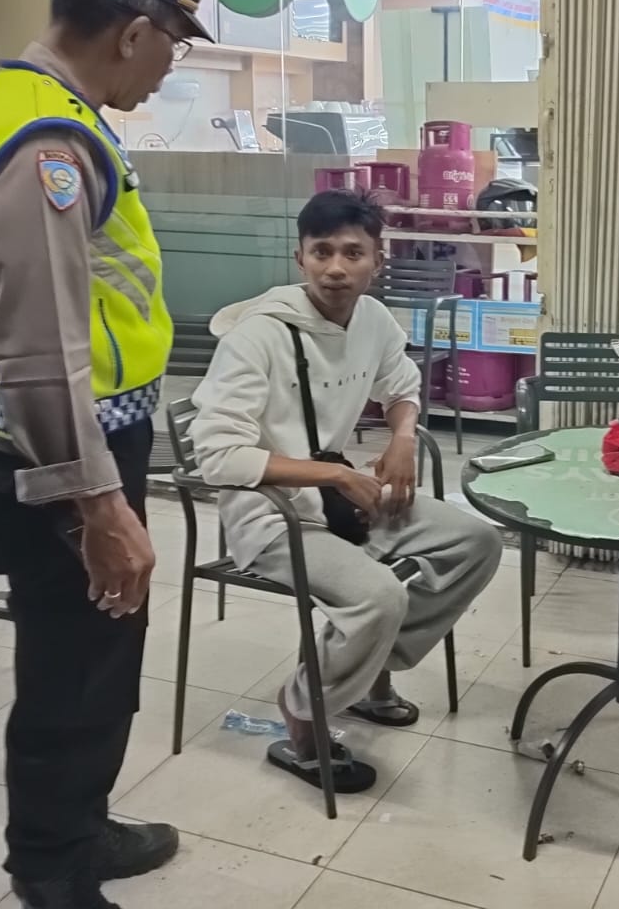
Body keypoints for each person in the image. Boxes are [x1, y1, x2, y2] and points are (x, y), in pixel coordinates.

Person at [0, 0, 212, 909]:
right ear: (133, 33)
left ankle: (79, 829)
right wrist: (98, 505)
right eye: (174, 45)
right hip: (60, 462)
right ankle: (52, 871)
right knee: (73, 668)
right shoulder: (47, 145)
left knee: (96, 656)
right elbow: (38, 351)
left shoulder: (39, 107)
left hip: (68, 447)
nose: (169, 68)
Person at [189, 189, 501, 793]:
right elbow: (218, 455)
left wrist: (403, 435)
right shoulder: (257, 337)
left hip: (341, 502)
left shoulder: (372, 319)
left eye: (353, 253)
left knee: (475, 542)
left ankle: (362, 671)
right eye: (322, 252)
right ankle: (304, 717)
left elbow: (401, 384)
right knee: (378, 596)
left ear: (377, 261)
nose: (336, 267)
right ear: (299, 257)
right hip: (271, 515)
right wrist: (335, 474)